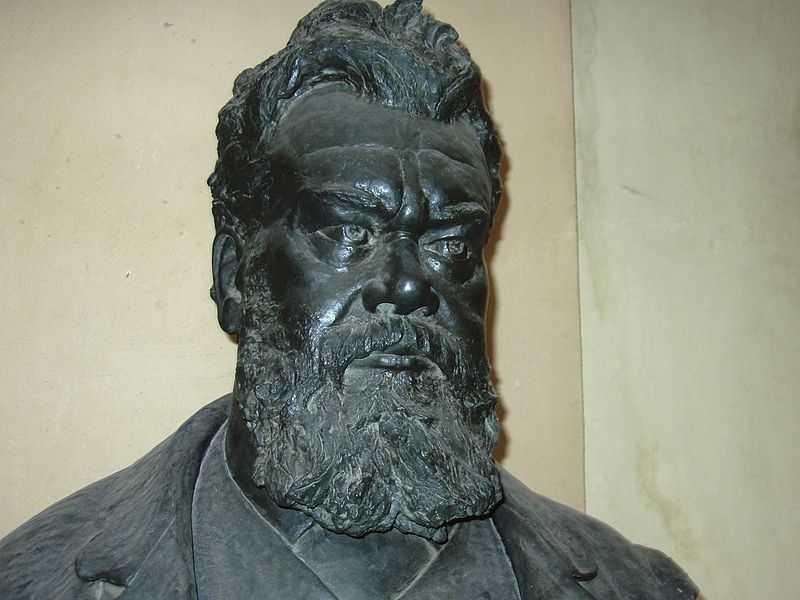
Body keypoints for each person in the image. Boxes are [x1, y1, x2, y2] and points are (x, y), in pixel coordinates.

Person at [0, 1, 698, 598]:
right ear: (237, 275)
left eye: (451, 246)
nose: (408, 284)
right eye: (343, 231)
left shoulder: (638, 586)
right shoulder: (31, 580)